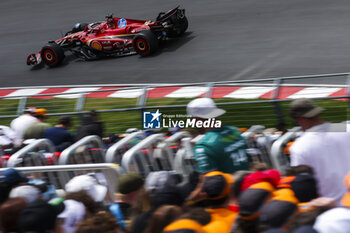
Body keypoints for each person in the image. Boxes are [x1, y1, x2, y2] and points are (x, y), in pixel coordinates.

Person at [289, 98, 350, 204]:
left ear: (300, 119)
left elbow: (304, 184)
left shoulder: (299, 147)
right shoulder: (347, 129)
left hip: (332, 208)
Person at [187, 98, 249, 174]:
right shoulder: (235, 131)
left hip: (228, 185)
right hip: (248, 182)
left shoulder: (204, 146)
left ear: (197, 119)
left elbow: (207, 181)